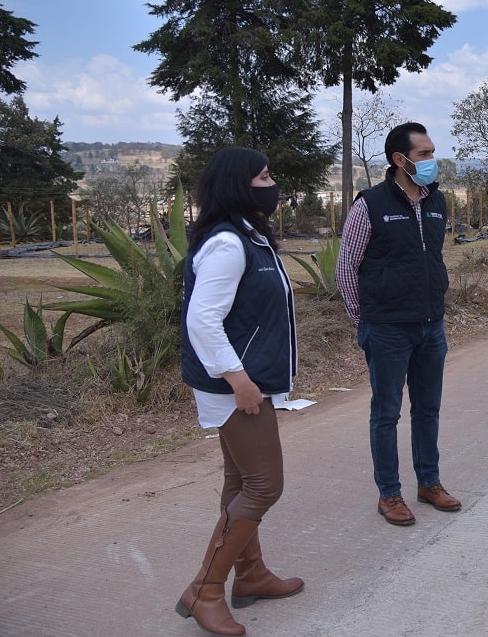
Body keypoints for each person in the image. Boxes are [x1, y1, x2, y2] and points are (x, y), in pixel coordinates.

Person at [176, 147, 303, 637]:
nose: (273, 184)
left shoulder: (249, 238)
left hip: (242, 382)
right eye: (264, 176)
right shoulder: (229, 244)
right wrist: (240, 381)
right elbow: (202, 319)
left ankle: (249, 576)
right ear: (238, 185)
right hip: (235, 388)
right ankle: (205, 590)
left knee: (240, 484)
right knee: (264, 485)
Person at [334, 121, 461, 527]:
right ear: (399, 160)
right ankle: (389, 494)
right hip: (387, 329)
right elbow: (346, 268)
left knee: (428, 409)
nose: (431, 161)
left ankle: (429, 483)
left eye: (431, 152)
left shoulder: (437, 202)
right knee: (386, 413)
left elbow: (433, 260)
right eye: (424, 154)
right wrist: (364, 318)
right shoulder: (369, 204)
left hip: (431, 326)